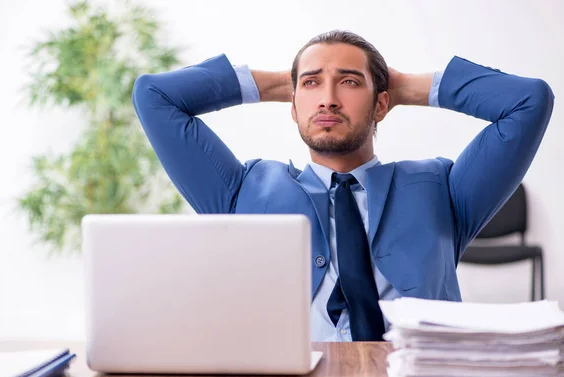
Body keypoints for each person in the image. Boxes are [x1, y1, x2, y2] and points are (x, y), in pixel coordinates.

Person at [132, 30, 554, 342]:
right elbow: (153, 95)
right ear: (292, 105)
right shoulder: (242, 190)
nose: (328, 99)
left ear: (382, 103)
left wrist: (402, 86)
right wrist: (282, 83)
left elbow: (528, 102)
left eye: (350, 82)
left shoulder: (442, 188)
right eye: (312, 84)